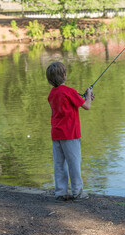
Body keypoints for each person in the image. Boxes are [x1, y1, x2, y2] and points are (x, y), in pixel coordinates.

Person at [46, 62, 95, 202]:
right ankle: (77, 192)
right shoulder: (69, 91)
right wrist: (88, 96)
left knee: (59, 163)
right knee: (74, 162)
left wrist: (85, 98)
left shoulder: (52, 93)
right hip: (70, 133)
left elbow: (67, 106)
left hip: (56, 134)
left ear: (49, 80)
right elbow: (86, 106)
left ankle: (60, 192)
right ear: (64, 75)